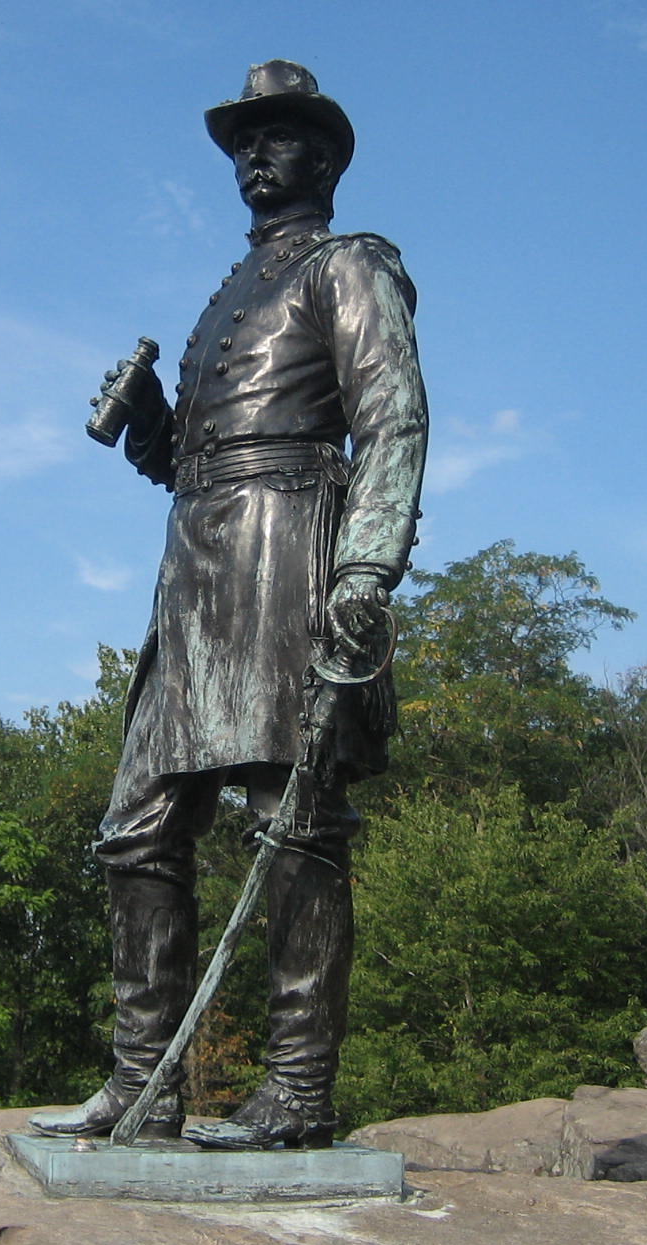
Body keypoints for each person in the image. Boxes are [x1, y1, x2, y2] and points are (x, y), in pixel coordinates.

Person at [33, 61, 427, 1150]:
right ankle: (143, 1081)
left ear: (326, 159)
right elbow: (197, 465)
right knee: (135, 830)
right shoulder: (229, 293)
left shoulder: (350, 266)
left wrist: (364, 571)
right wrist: (153, 421)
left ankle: (297, 1091)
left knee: (294, 826)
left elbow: (390, 420)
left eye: (279, 136)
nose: (255, 155)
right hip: (198, 568)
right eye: (243, 141)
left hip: (288, 553)